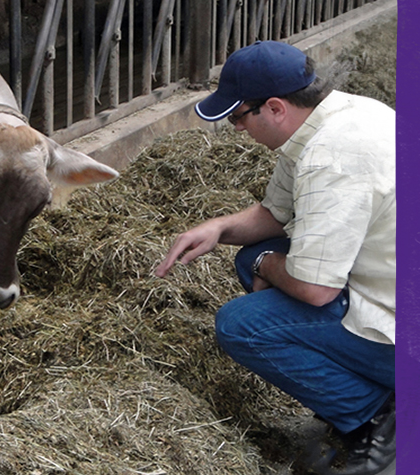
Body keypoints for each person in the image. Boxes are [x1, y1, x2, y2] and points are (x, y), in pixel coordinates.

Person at [153, 41, 395, 475]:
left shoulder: (332, 157)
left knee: (241, 324)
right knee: (249, 257)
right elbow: (274, 214)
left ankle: (375, 420)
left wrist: (265, 262)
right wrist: (218, 229)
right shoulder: (333, 117)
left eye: (238, 116)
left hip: (402, 331)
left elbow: (315, 290)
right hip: (383, 281)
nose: (236, 128)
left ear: (276, 108)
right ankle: (359, 386)